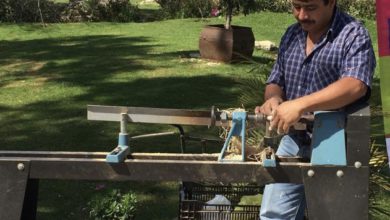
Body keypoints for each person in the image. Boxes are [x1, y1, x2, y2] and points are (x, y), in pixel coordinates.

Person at [254, 0, 376, 219]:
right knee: (274, 215)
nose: (301, 15)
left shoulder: (353, 34)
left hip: (337, 143)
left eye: (310, 8)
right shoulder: (292, 35)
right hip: (294, 139)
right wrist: (273, 98)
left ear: (331, 3)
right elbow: (275, 80)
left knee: (334, 215)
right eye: (296, 6)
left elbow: (355, 84)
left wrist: (301, 104)